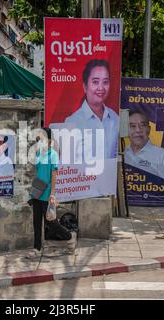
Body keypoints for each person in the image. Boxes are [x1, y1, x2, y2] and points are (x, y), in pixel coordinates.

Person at [26, 128, 76, 259]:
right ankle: (36, 249)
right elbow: (37, 172)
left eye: (41, 138)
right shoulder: (38, 154)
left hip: (47, 194)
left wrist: (52, 195)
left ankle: (69, 237)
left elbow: (54, 176)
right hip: (37, 193)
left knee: (50, 222)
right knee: (36, 222)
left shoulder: (53, 155)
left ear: (49, 140)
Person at [64, 59, 119, 160]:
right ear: (85, 87)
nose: (101, 88)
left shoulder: (115, 118)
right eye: (95, 82)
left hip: (110, 176)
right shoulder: (72, 122)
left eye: (105, 82)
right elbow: (68, 163)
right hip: (84, 176)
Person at [125, 110, 164, 181]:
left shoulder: (163, 156)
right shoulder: (122, 155)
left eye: (142, 125)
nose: (138, 130)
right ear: (125, 130)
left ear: (149, 129)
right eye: (132, 126)